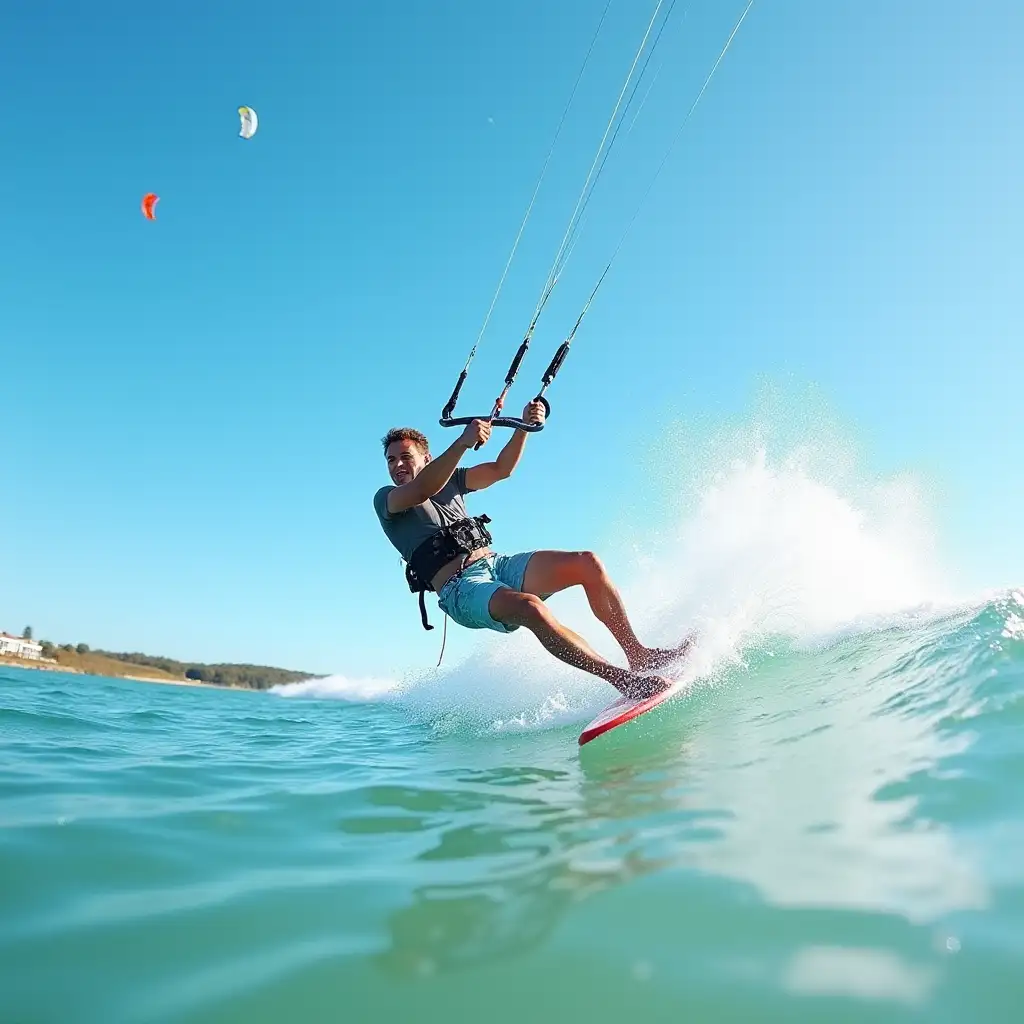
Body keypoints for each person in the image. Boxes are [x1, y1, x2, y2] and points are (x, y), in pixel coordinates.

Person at [373, 401, 690, 699]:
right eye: (391, 459)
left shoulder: (452, 479)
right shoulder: (388, 499)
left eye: (405, 456)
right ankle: (623, 680)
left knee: (587, 563)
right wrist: (462, 442)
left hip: (498, 565)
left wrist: (523, 426)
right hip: (462, 590)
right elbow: (421, 489)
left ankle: (638, 654)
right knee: (532, 609)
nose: (397, 464)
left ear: (426, 458)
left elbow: (501, 469)